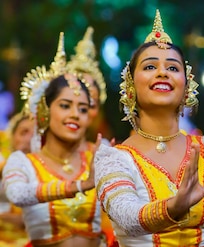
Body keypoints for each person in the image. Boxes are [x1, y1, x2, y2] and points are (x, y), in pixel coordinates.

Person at [94, 9, 204, 247]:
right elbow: (127, 216)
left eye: (173, 68)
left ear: (186, 89)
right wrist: (173, 207)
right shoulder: (114, 159)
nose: (162, 72)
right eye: (150, 67)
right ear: (130, 87)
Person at [2, 32, 102, 247]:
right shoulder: (23, 162)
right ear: (45, 111)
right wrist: (80, 185)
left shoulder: (98, 159)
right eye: (65, 106)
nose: (75, 114)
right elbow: (17, 194)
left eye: (83, 108)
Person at [67, 26, 117, 247]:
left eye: (90, 103)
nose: (79, 111)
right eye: (69, 101)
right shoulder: (29, 149)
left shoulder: (104, 152)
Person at [0, 112, 33, 246]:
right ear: (12, 136)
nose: (28, 139)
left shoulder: (48, 171)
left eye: (35, 134)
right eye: (23, 133)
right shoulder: (3, 166)